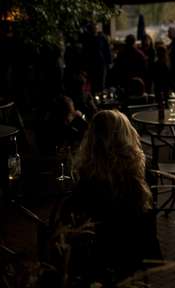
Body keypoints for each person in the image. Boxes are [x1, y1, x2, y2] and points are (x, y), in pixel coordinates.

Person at [48, 110, 162, 286]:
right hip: (138, 248)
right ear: (127, 134)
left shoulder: (88, 176)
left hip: (101, 253)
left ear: (93, 138)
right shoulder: (142, 170)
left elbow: (77, 215)